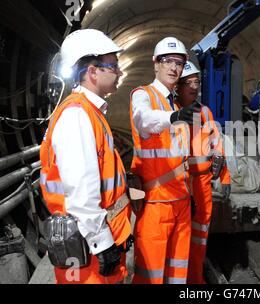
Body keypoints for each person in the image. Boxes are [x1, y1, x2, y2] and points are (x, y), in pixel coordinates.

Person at [39, 29, 132, 284]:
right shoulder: (76, 116)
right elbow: (81, 192)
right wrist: (103, 244)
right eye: (113, 66)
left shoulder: (91, 112)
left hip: (100, 238)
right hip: (87, 252)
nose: (119, 72)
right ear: (92, 71)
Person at [130, 37, 201, 284]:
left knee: (177, 271)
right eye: (167, 61)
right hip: (155, 202)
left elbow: (180, 158)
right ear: (155, 63)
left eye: (179, 63)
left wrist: (189, 194)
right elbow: (143, 119)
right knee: (151, 275)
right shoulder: (143, 96)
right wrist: (174, 116)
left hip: (180, 201)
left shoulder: (177, 104)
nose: (174, 67)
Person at [175, 61, 231, 284]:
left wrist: (225, 178)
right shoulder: (171, 113)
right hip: (180, 188)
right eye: (188, 82)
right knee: (180, 240)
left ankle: (195, 280)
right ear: (178, 86)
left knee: (199, 239)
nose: (194, 86)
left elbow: (218, 147)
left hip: (203, 186)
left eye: (196, 82)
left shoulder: (205, 112)